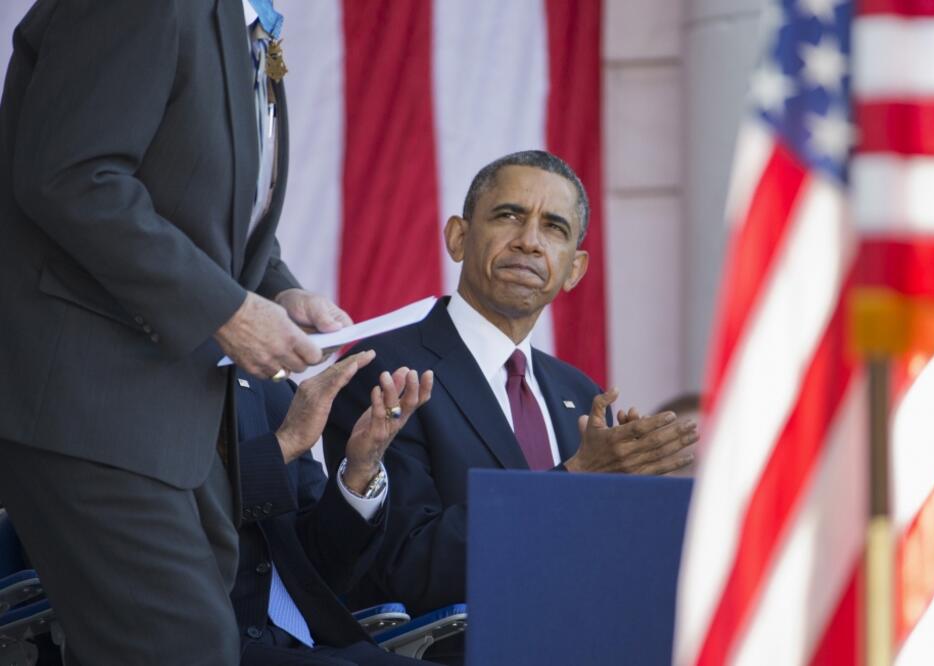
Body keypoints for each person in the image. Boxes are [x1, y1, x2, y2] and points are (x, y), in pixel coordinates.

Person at [0, 1, 343, 663]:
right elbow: (73, 177)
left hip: (172, 420)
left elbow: (193, 201)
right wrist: (228, 310)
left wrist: (277, 288)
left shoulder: (247, 25)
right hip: (88, 403)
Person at [325, 151, 697, 629]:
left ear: (574, 270)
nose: (529, 242)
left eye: (554, 229)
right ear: (458, 237)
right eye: (509, 216)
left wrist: (625, 503)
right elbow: (407, 566)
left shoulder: (579, 393)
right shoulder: (389, 370)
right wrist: (579, 479)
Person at [233, 351, 434, 665]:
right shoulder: (147, 379)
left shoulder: (268, 383)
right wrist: (284, 443)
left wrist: (360, 468)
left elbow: (321, 567)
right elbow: (189, 506)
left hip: (311, 641)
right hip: (212, 641)